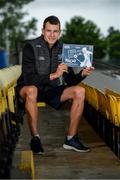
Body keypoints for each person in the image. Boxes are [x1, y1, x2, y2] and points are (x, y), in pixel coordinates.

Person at [16, 15, 95, 154]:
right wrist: (54, 75)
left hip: (51, 90)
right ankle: (35, 139)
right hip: (29, 88)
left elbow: (70, 81)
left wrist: (82, 74)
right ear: (42, 30)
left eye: (55, 31)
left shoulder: (64, 49)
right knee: (32, 90)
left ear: (60, 32)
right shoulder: (31, 47)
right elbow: (29, 79)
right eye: (49, 31)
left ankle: (71, 139)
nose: (52, 35)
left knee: (79, 91)